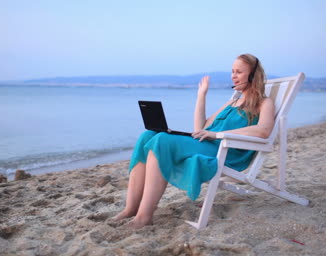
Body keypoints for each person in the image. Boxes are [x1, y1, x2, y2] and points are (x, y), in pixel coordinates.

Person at [113, 54, 275, 229]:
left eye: (239, 72)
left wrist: (217, 135)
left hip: (225, 151)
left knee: (161, 140)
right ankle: (131, 209)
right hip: (208, 143)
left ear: (252, 75)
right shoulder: (232, 102)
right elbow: (200, 127)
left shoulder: (264, 103)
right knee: (148, 135)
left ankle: (144, 217)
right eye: (232, 71)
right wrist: (201, 95)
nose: (233, 76)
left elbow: (263, 130)